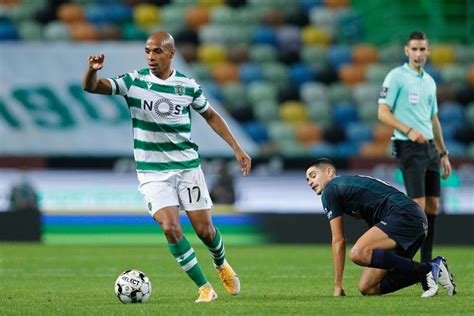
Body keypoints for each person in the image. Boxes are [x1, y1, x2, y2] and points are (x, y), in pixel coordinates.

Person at [82, 32, 252, 303]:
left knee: (205, 231)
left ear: (171, 54)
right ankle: (205, 288)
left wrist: (237, 147)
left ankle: (221, 264)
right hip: (152, 172)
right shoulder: (134, 81)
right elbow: (93, 87)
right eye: (148, 51)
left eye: (157, 51)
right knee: (171, 228)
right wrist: (92, 71)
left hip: (187, 167)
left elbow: (211, 115)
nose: (151, 56)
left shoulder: (187, 86)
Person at [305, 158, 456, 297]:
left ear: (329, 172)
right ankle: (434, 268)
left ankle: (426, 271)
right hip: (415, 221)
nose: (310, 182)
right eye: (307, 180)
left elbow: (338, 240)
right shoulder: (348, 188)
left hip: (405, 216)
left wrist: (338, 286)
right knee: (368, 288)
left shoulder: (331, 189)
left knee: (358, 253)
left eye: (313, 175)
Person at [378, 31, 451, 264]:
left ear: (428, 51)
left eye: (422, 49)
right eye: (414, 49)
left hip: (429, 148)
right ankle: (399, 262)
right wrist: (408, 130)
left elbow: (434, 119)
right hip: (408, 146)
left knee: (433, 205)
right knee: (417, 208)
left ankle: (427, 264)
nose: (418, 54)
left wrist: (443, 153)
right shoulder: (396, 77)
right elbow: (382, 113)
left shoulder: (429, 81)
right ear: (406, 51)